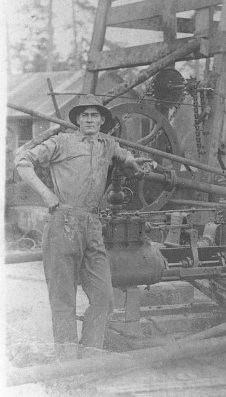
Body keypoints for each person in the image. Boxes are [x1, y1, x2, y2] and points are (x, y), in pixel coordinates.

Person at [15, 94, 143, 358]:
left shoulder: (108, 144)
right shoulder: (62, 142)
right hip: (64, 223)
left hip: (93, 225)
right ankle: (66, 360)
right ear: (77, 120)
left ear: (102, 120)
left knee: (104, 297)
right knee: (63, 298)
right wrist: (46, 195)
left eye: (95, 115)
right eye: (84, 115)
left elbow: (124, 157)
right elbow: (22, 161)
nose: (90, 119)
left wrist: (131, 162)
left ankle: (90, 354)